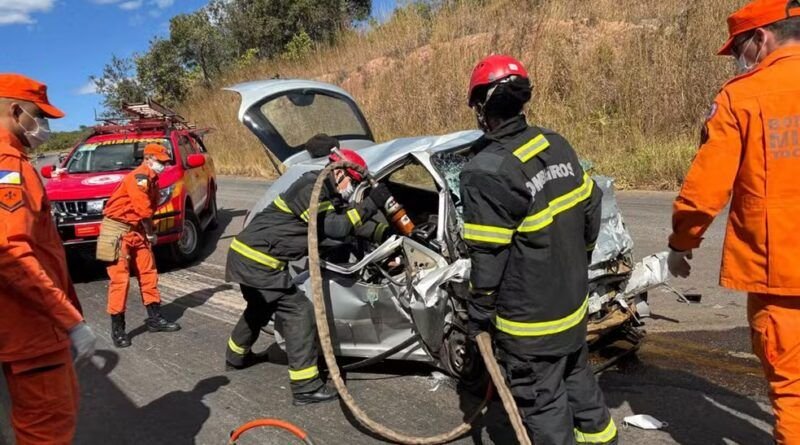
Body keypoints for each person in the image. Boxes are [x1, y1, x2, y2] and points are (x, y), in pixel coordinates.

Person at [460, 55, 616, 445]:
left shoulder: (486, 171)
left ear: (482, 109)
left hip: (529, 324)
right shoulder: (555, 143)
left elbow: (488, 258)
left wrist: (478, 313)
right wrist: (578, 257)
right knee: (577, 378)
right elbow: (591, 206)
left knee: (543, 403)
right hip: (571, 305)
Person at [668, 1, 800, 443]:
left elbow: (706, 188)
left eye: (740, 48)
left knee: (793, 390)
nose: (741, 59)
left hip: (782, 275)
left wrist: (682, 241)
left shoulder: (742, 96)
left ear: (761, 37)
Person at [225, 134, 392, 406]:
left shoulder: (327, 191)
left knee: (259, 308)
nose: (354, 188)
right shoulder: (311, 188)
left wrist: (385, 231)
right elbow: (336, 228)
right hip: (257, 261)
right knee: (299, 311)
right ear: (339, 173)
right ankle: (305, 386)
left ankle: (235, 357)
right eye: (354, 181)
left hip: (249, 258)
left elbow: (347, 225)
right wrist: (372, 202)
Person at [0, 73, 95, 445]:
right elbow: (9, 253)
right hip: (32, 329)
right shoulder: (8, 166)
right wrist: (68, 320)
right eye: (41, 117)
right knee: (47, 430)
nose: (44, 127)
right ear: (17, 111)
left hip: (17, 324)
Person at [103, 143, 180, 348]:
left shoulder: (152, 179)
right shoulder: (139, 177)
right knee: (120, 281)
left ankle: (155, 319)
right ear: (148, 159)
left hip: (136, 229)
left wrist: (145, 232)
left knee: (149, 273)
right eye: (161, 161)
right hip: (117, 230)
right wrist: (151, 233)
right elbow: (145, 211)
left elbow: (147, 211)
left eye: (165, 162)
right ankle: (118, 330)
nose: (163, 165)